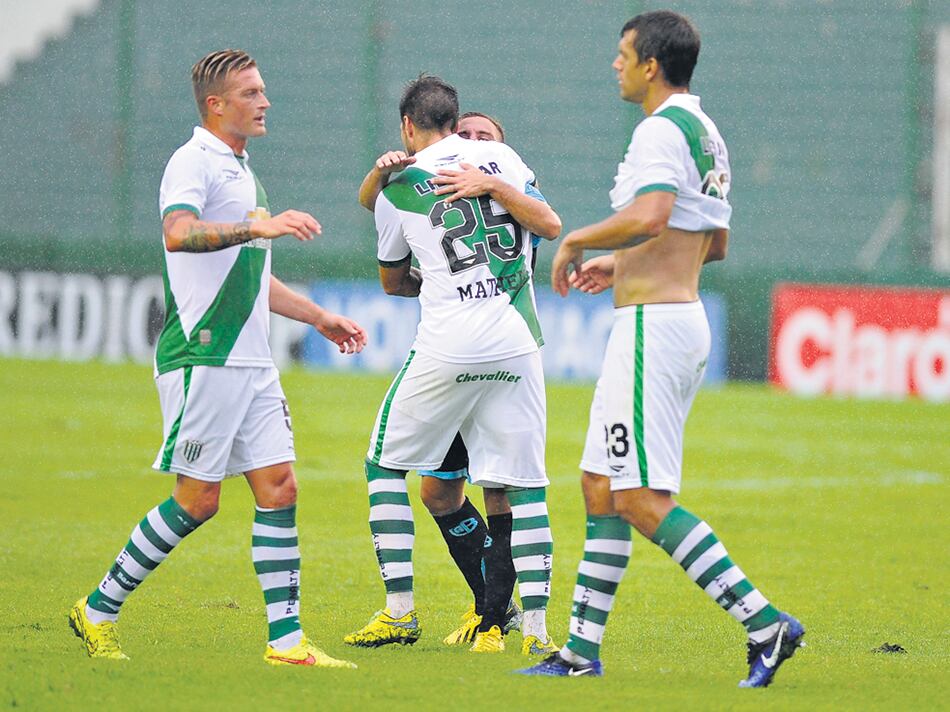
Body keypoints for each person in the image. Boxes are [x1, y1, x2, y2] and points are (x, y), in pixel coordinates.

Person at [519, 12, 804, 687]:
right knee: (599, 486)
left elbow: (650, 215)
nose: (614, 65)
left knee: (641, 497)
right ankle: (580, 651)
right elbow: (713, 239)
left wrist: (581, 240)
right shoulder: (704, 132)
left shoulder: (657, 129)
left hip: (654, 329)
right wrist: (623, 269)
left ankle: (764, 623)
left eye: (622, 55)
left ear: (651, 65)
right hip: (667, 315)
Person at [68, 49, 367, 669]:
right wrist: (258, 229)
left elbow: (250, 275)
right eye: (252, 93)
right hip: (204, 355)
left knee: (280, 488)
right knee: (197, 499)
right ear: (217, 104)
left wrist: (318, 316)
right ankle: (97, 609)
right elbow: (178, 232)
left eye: (263, 90)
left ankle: (286, 642)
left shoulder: (242, 170)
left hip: (252, 361)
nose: (265, 102)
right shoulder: (191, 161)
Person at [344, 76, 557, 654]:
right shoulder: (503, 159)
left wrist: (442, 278)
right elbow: (549, 224)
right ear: (455, 120)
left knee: (384, 467)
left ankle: (399, 610)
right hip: (518, 343)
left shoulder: (399, 184)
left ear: (408, 127)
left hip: (448, 344)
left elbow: (392, 281)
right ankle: (537, 632)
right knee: (527, 488)